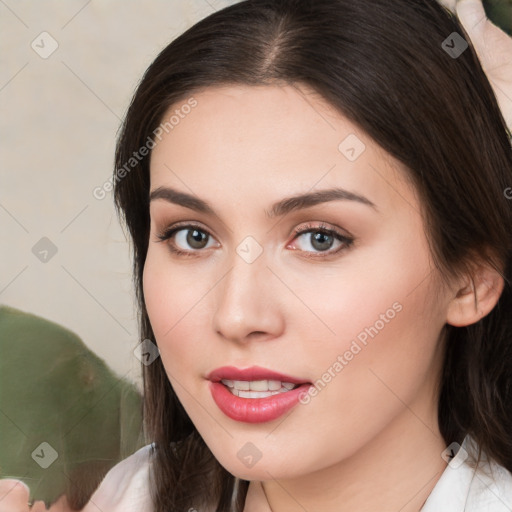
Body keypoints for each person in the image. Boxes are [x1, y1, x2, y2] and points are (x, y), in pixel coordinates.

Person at [82, 0, 512, 510]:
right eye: (192, 236)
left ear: (471, 279)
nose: (237, 315)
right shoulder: (131, 495)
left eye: (319, 239)